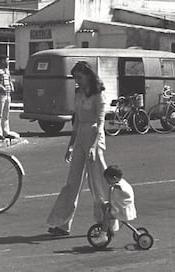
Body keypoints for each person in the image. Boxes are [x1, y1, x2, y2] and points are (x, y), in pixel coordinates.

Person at [46, 61, 109, 236]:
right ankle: (62, 223)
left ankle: (105, 223)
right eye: (75, 78)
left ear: (88, 76)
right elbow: (77, 122)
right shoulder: (80, 94)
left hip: (95, 138)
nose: (78, 81)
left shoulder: (99, 95)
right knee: (72, 183)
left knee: (97, 183)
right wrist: (71, 146)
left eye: (80, 78)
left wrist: (94, 146)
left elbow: (100, 122)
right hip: (81, 135)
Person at [94, 165, 137, 245]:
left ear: (114, 178)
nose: (107, 182)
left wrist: (115, 186)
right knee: (104, 206)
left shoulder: (122, 186)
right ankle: (108, 228)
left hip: (123, 211)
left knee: (107, 216)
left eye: (108, 180)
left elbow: (123, 190)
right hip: (120, 208)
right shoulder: (120, 182)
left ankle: (103, 235)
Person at [0, 55, 15, 140]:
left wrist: (11, 86)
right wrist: (0, 87)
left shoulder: (7, 71)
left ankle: (6, 132)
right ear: (2, 61)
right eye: (7, 60)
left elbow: (9, 79)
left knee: (6, 114)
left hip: (8, 94)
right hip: (1, 95)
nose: (8, 62)